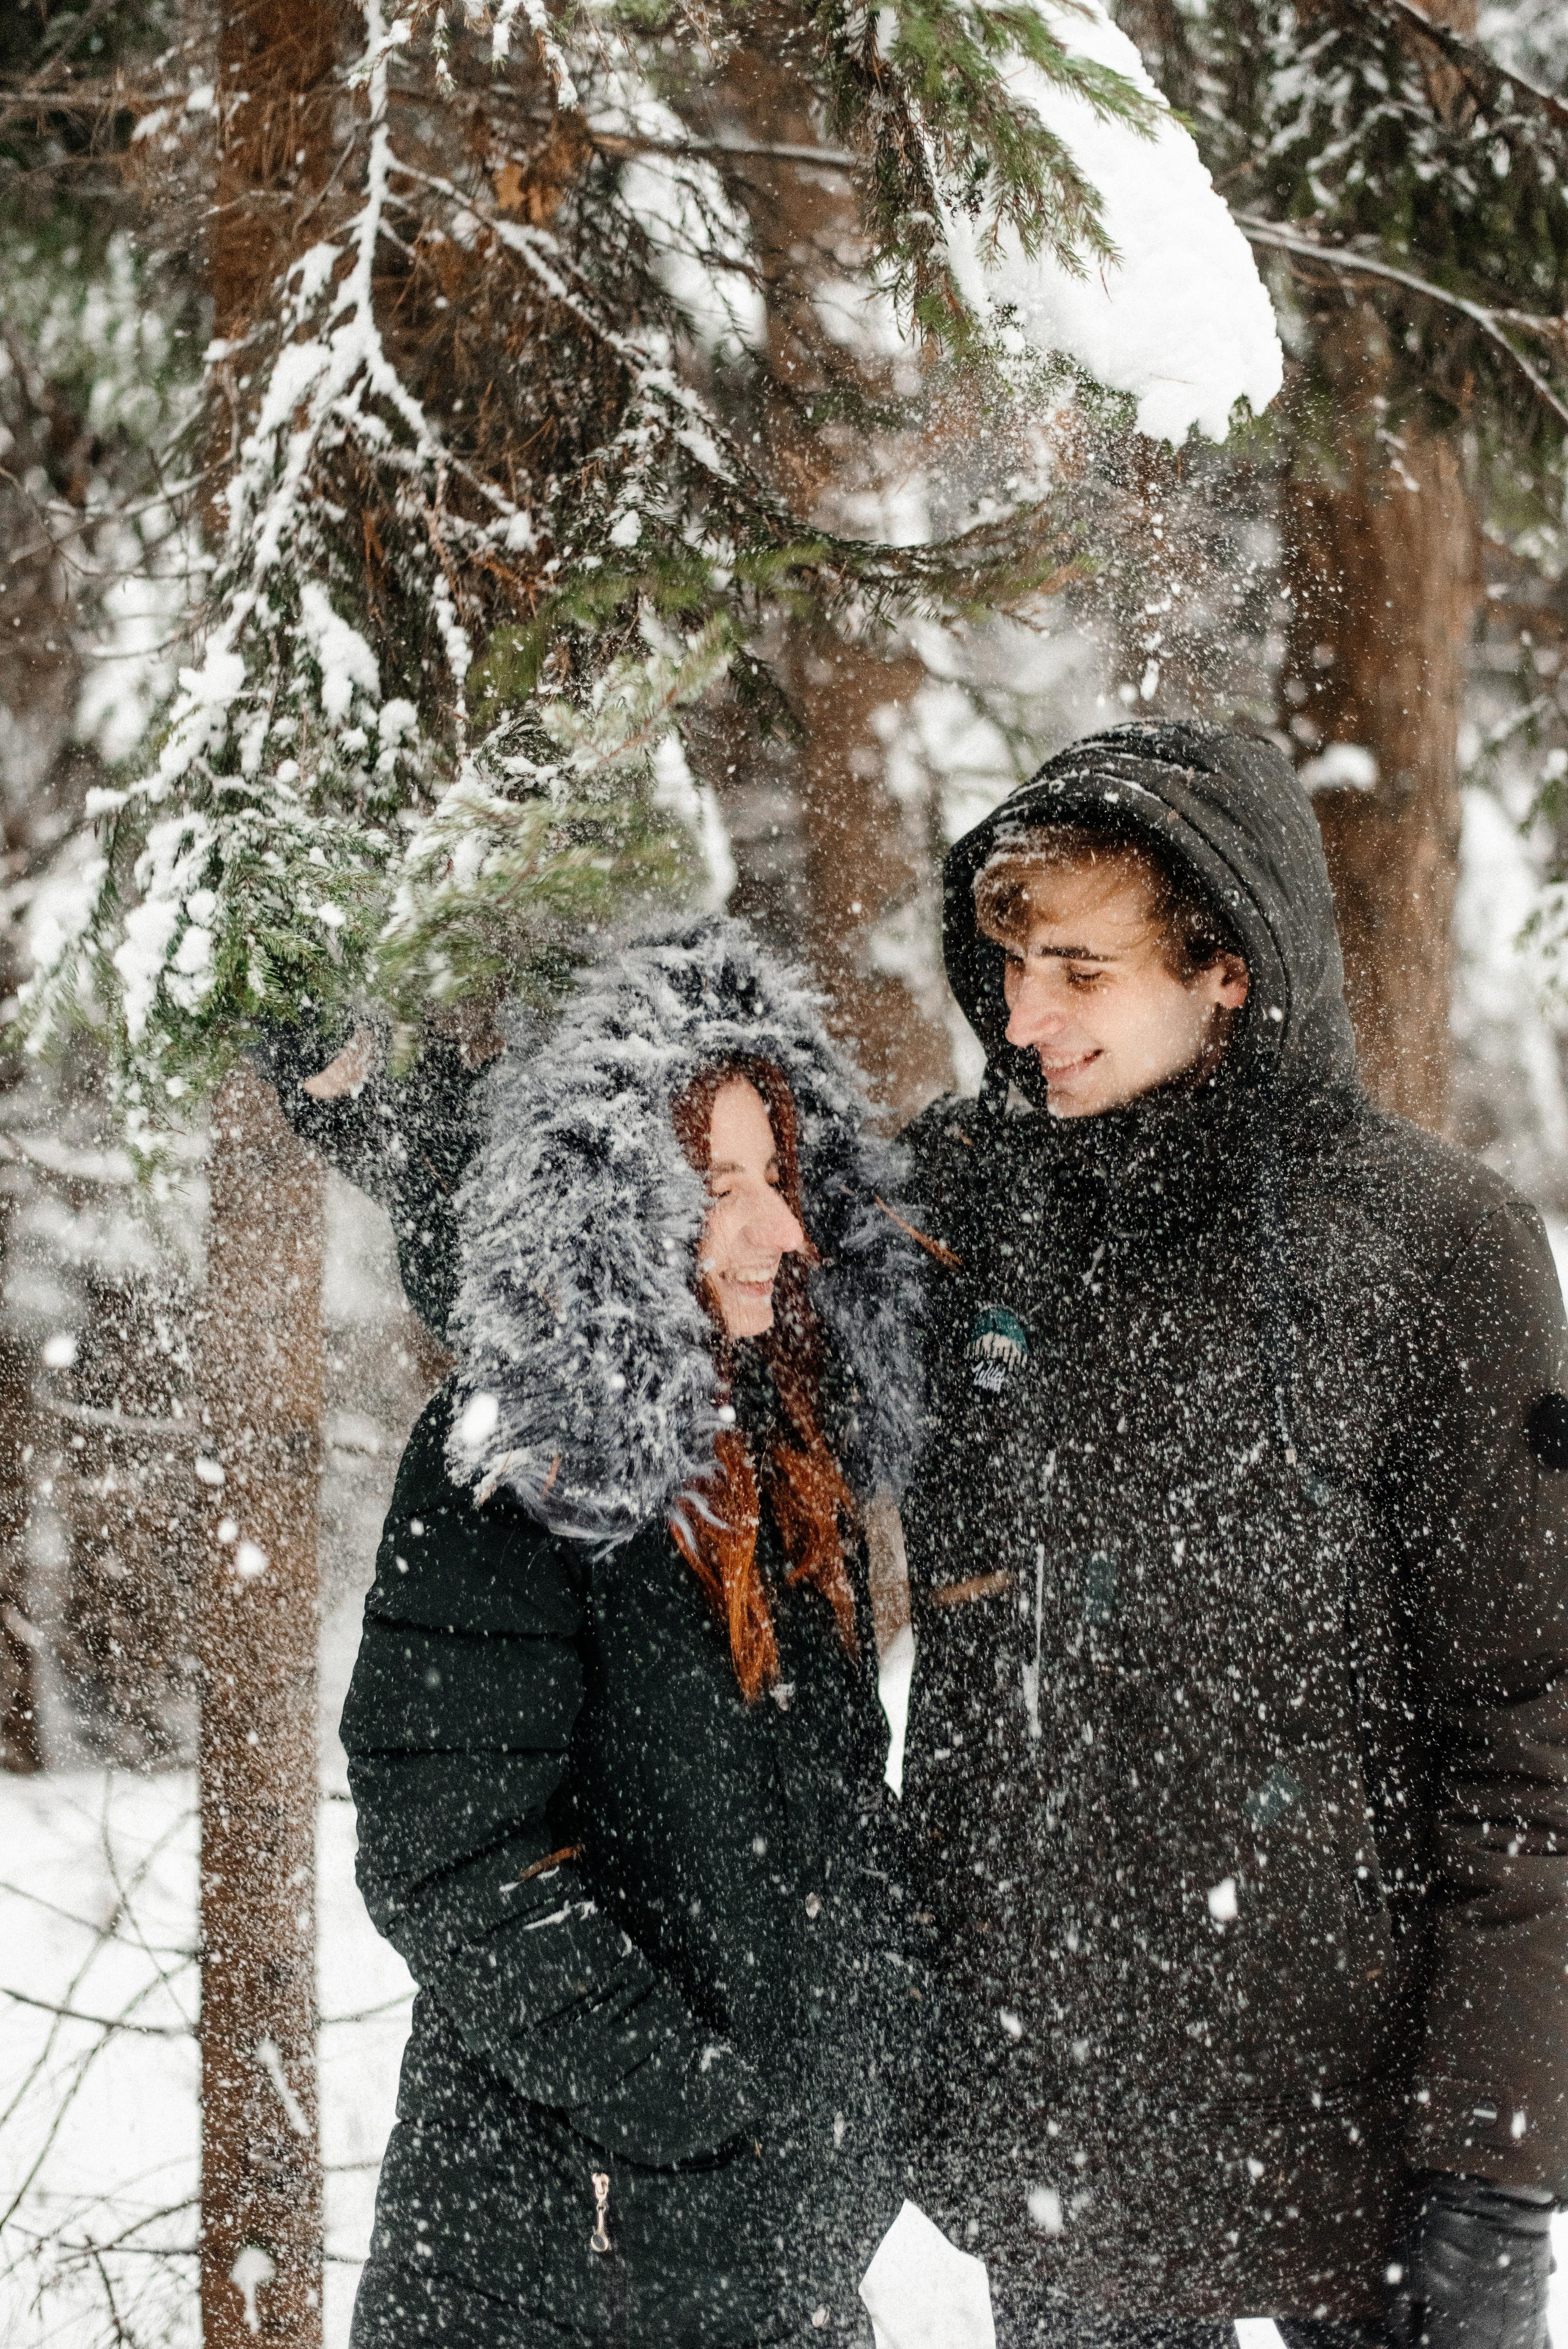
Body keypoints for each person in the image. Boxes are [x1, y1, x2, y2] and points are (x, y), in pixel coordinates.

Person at [900, 721, 1568, 2349]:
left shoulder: (1436, 1248)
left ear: (1228, 970)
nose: (1023, 1015)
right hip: (1063, 2138)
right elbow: (690, 1242)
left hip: (1369, 2157)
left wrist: (1491, 2168)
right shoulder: (964, 1212)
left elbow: (1533, 1734)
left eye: (1081, 969)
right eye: (1010, 965)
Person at [336, 917, 923, 2348]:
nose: (770, 1227)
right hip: (555, 2266)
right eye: (714, 1179)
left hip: (771, 2260)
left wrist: (857, 2086)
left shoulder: (782, 1465)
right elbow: (445, 1848)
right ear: (608, 1199)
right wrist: (687, 2110)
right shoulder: (514, 1459)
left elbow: (824, 1828)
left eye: (777, 1176)